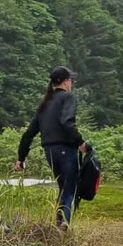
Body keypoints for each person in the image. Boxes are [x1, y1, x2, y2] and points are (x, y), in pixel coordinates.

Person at [15, 66, 87, 230]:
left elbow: (29, 133)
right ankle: (65, 225)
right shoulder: (67, 98)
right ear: (65, 82)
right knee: (71, 188)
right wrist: (81, 143)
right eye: (71, 80)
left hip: (49, 151)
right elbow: (67, 123)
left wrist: (21, 157)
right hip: (66, 149)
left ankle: (57, 224)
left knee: (63, 187)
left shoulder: (44, 104)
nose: (72, 83)